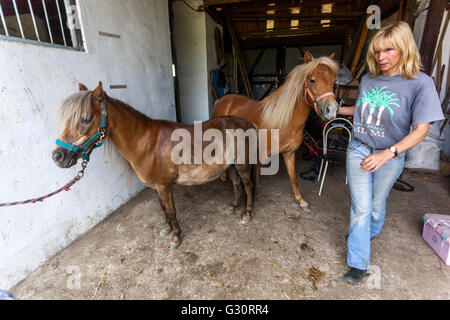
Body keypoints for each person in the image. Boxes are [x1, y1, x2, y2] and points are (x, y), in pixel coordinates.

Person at [338, 21, 444, 284]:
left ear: (404, 49)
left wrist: (388, 153)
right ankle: (358, 263)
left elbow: (421, 130)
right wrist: (335, 109)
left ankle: (367, 231)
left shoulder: (420, 83)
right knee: (360, 207)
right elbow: (363, 109)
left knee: (376, 203)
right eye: (377, 51)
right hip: (359, 148)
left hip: (391, 154)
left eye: (388, 50)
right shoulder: (368, 78)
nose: (380, 57)